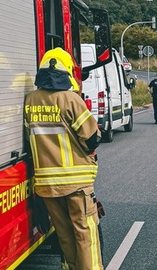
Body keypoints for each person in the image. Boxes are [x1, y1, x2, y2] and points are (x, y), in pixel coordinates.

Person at [24, 48, 103, 270]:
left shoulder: (30, 100)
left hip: (46, 185)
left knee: (64, 234)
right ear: (66, 71)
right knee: (85, 232)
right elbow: (92, 138)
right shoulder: (71, 99)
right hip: (76, 183)